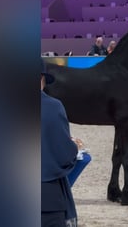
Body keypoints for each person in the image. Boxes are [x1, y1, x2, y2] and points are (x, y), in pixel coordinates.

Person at [41, 58, 91, 226]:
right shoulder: (53, 107)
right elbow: (64, 155)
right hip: (47, 198)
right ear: (41, 80)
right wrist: (74, 147)